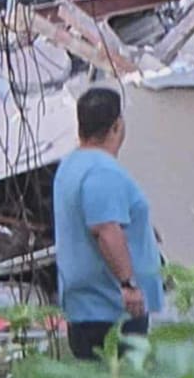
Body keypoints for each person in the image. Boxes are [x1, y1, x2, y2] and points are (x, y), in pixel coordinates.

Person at [52, 87, 164, 360]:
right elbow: (106, 231)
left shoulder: (70, 166)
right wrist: (129, 285)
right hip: (111, 309)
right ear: (117, 125)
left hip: (83, 305)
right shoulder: (102, 171)